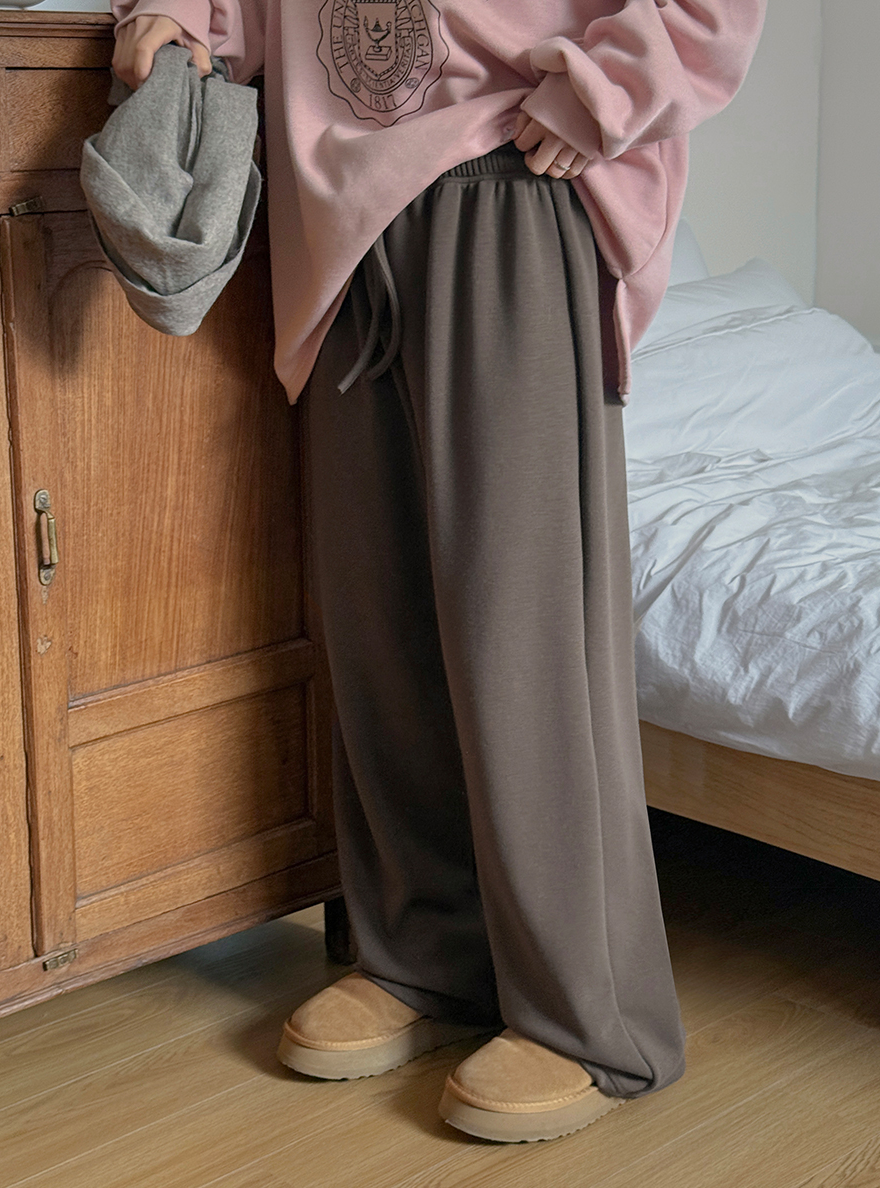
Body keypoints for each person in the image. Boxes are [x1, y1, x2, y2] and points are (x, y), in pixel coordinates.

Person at [112, 0, 766, 1144]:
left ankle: (590, 1013)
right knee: (379, 620)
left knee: (520, 630)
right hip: (335, 215)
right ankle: (424, 955)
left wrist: (610, 83)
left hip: (514, 165)